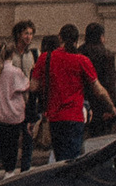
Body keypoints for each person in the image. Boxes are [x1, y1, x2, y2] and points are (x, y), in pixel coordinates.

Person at [32, 23, 109, 165]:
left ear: (60, 38)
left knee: (60, 157)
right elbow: (98, 89)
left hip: (55, 118)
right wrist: (111, 107)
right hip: (75, 117)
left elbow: (33, 87)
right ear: (76, 40)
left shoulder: (45, 58)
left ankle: (62, 182)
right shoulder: (81, 60)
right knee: (74, 159)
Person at [0, 21, 35, 176]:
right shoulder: (10, 56)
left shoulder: (33, 54)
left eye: (30, 33)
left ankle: (25, 170)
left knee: (27, 137)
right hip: (13, 103)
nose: (29, 37)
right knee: (5, 140)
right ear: (18, 35)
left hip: (26, 101)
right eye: (26, 33)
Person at [81, 23, 116, 131]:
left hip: (83, 105)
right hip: (102, 106)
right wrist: (112, 108)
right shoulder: (106, 55)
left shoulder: (79, 53)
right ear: (101, 37)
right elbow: (110, 83)